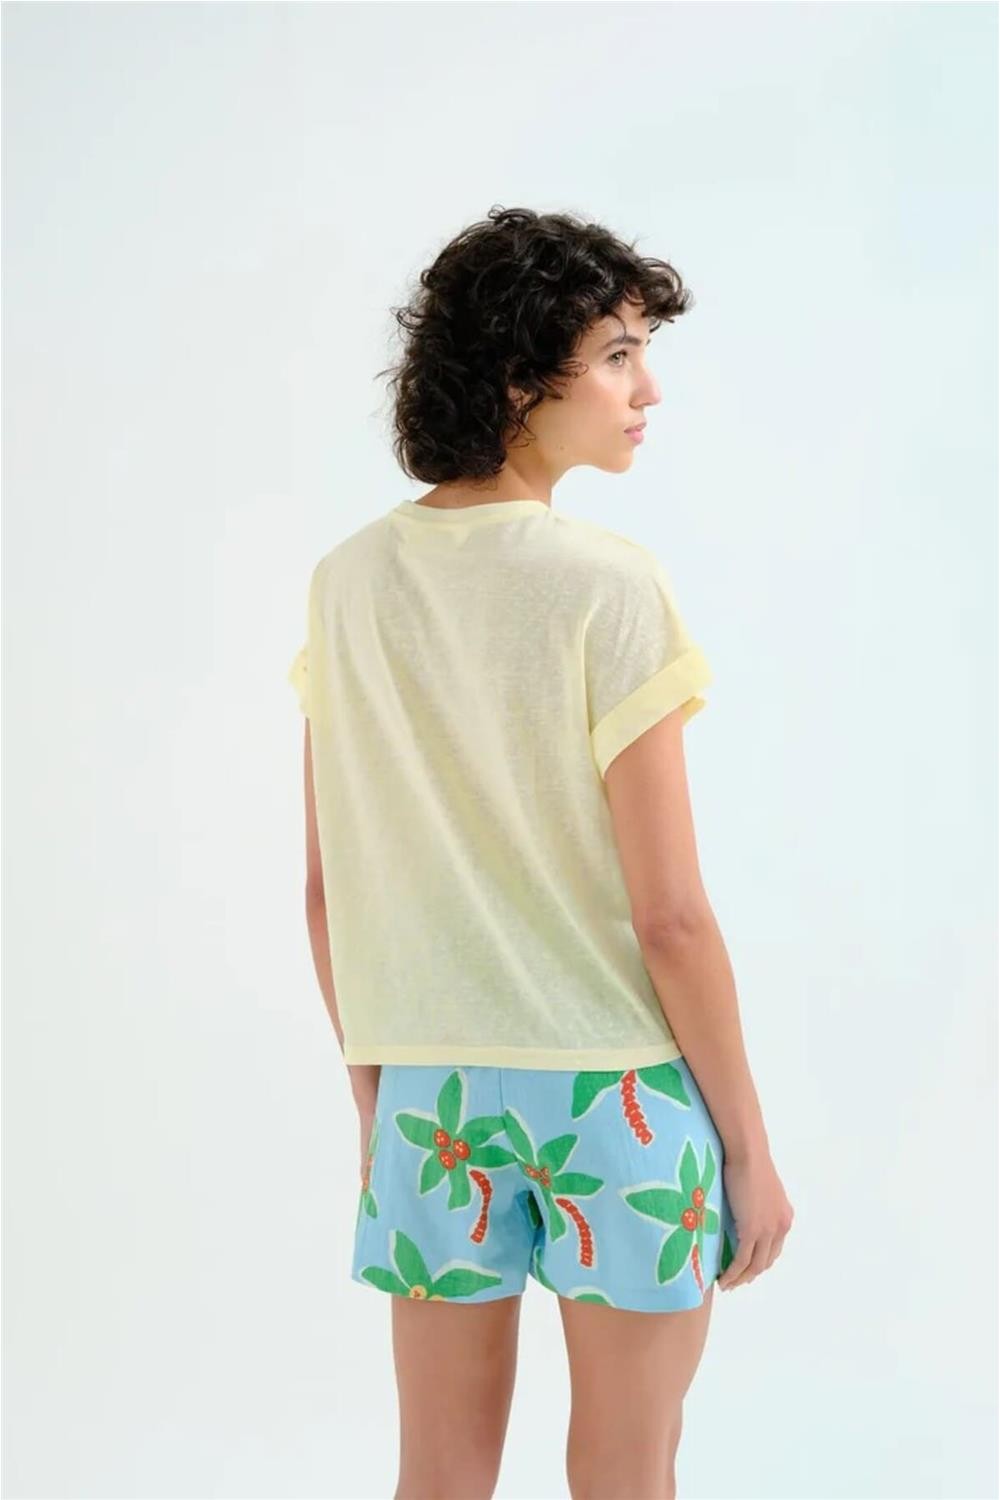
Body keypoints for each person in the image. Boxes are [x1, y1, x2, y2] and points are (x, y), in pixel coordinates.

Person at [288, 205, 794, 1500]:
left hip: (432, 1098)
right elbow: (670, 917)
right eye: (618, 355)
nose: (648, 389)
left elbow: (328, 891)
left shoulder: (347, 584)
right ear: (521, 379)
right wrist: (747, 1146)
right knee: (625, 1474)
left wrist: (381, 1097)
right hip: (616, 1092)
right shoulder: (606, 586)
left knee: (438, 1478)